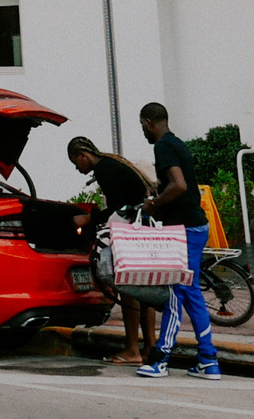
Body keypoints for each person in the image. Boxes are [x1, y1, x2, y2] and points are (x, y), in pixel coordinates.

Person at [138, 101, 220, 380]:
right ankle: (208, 359)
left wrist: (154, 204)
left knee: (176, 292)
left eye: (142, 126)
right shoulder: (177, 144)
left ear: (149, 122)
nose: (143, 133)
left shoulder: (162, 147)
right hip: (195, 226)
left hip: (183, 229)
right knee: (190, 292)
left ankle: (161, 358)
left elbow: (180, 185)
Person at [67, 135, 158, 367]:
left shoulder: (105, 169)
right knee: (145, 291)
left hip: (130, 233)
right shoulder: (113, 163)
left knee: (128, 289)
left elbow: (118, 208)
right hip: (144, 228)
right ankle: (150, 348)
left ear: (83, 155)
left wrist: (87, 219)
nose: (78, 169)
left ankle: (131, 350)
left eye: (76, 163)